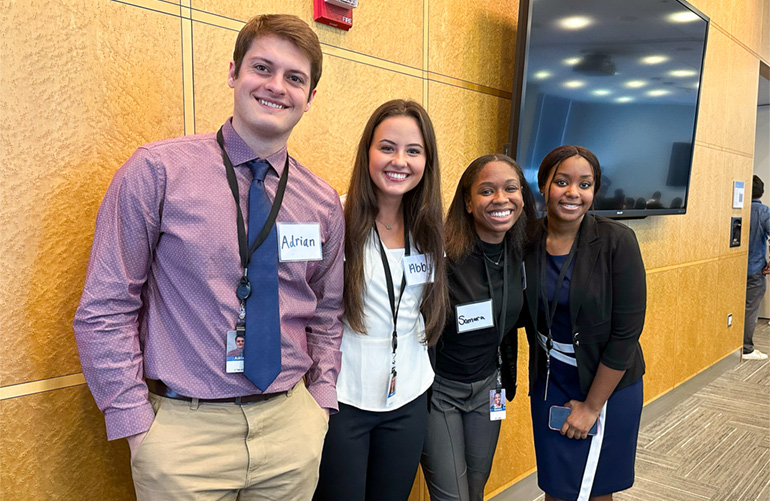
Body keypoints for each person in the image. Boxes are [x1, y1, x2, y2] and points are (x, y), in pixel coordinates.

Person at [73, 14, 344, 500]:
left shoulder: (322, 202)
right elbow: (106, 307)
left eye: (295, 78)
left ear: (310, 97)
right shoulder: (157, 172)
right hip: (183, 438)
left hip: (290, 431)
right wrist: (137, 425)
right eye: (263, 68)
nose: (277, 86)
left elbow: (326, 313)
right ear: (233, 73)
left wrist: (319, 405)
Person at [314, 99, 447, 501]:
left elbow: (421, 308)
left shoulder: (428, 229)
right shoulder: (334, 218)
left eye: (413, 150)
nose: (399, 161)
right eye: (387, 147)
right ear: (367, 152)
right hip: (343, 398)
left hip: (408, 395)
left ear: (427, 161)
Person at [523, 145, 646, 501]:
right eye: (562, 182)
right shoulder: (526, 239)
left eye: (585, 184)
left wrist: (592, 407)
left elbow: (626, 335)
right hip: (551, 382)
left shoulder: (617, 241)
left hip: (605, 383)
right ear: (543, 184)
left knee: (594, 490)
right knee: (557, 485)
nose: (573, 192)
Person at [420, 154, 535, 501]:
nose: (501, 199)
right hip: (440, 391)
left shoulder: (523, 253)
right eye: (487, 190)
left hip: (490, 388)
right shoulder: (441, 253)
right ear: (468, 203)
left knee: (475, 488)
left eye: (510, 188)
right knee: (452, 497)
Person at [743, 175, 770, 360]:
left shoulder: (734, 210)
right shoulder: (763, 212)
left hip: (731, 270)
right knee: (750, 310)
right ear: (762, 191)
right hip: (755, 270)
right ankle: (746, 349)